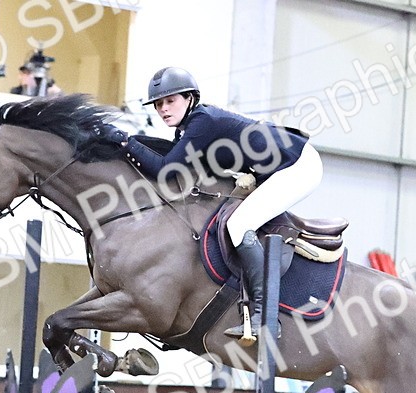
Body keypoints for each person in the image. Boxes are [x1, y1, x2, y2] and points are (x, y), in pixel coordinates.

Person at [96, 67, 322, 342]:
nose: (163, 109)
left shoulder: (202, 122)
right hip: (277, 165)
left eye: (170, 101)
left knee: (239, 225)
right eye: (158, 104)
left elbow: (166, 169)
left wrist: (124, 140)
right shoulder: (189, 129)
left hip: (297, 165)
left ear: (190, 98)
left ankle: (266, 317)